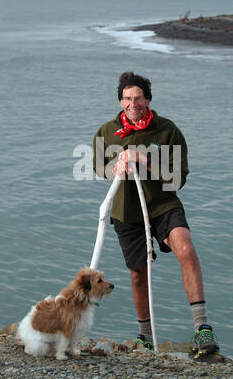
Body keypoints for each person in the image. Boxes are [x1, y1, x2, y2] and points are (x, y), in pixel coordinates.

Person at [93, 71, 219, 354]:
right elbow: (98, 167)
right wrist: (113, 167)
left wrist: (144, 159)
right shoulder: (106, 131)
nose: (132, 104)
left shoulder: (167, 130)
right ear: (120, 101)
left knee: (185, 248)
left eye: (138, 98)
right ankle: (145, 336)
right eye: (127, 98)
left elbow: (178, 177)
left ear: (147, 100)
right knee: (138, 275)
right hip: (126, 211)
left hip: (163, 206)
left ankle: (202, 330)